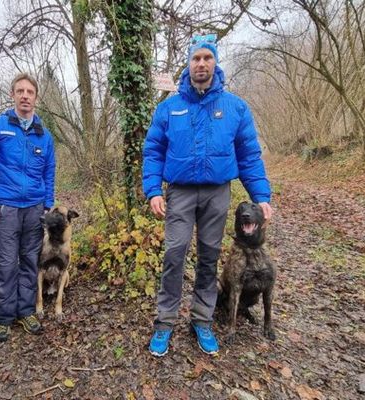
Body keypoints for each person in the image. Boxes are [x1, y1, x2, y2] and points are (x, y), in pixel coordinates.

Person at [142, 34, 273, 357]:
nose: (201, 64)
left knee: (209, 256)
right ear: (188, 64)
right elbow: (154, 150)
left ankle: (202, 319)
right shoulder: (169, 108)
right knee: (174, 254)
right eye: (196, 58)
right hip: (180, 193)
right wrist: (152, 190)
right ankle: (165, 322)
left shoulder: (234, 108)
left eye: (207, 58)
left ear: (215, 63)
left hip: (217, 192)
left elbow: (249, 155)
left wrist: (262, 195)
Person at [0, 73, 56, 342]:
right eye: (20, 91)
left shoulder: (43, 134)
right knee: (7, 264)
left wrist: (48, 203)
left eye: (29, 92)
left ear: (36, 97)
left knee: (30, 262)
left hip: (34, 207)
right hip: (6, 207)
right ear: (12, 95)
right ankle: (4, 317)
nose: (25, 96)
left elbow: (49, 171)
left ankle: (26, 311)